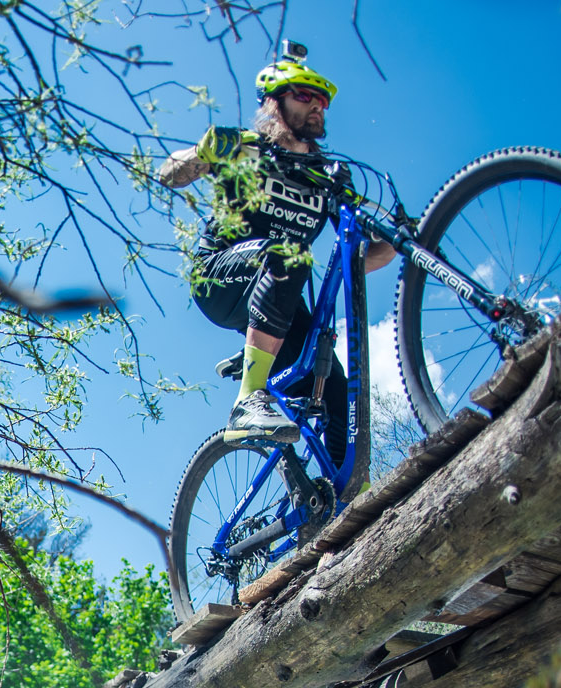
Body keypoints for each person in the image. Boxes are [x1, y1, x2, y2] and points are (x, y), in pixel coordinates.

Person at [157, 46, 395, 448]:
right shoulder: (247, 147)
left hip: (281, 296)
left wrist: (395, 241)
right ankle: (247, 401)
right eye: (305, 96)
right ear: (273, 102)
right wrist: (202, 152)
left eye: (322, 100)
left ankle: (339, 501)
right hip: (220, 278)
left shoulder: (326, 177)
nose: (318, 106)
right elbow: (169, 174)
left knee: (342, 402)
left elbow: (367, 253)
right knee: (288, 253)